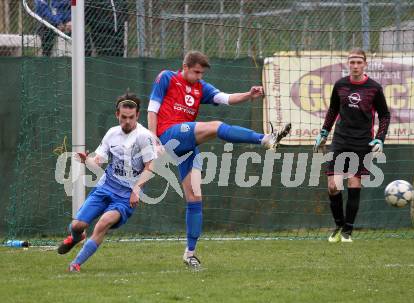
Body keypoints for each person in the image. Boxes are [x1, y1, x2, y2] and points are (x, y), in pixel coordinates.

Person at [147, 50, 291, 270]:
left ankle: (190, 254)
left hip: (186, 145)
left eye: (202, 73)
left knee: (195, 198)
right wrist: (153, 140)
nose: (199, 76)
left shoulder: (200, 87)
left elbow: (224, 98)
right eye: (196, 72)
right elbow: (152, 109)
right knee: (215, 126)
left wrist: (248, 94)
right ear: (185, 67)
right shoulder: (167, 77)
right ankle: (265, 139)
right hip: (168, 133)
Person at [57, 92, 157, 272]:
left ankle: (76, 264)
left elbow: (150, 167)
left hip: (126, 195)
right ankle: (76, 237)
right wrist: (86, 159)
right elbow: (99, 160)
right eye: (124, 117)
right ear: (117, 114)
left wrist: (136, 190)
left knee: (103, 223)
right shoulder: (112, 133)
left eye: (131, 117)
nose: (127, 121)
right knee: (77, 225)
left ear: (138, 116)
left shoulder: (144, 136)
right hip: (105, 187)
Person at [313, 48, 391, 243]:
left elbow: (385, 115)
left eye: (359, 62)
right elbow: (332, 109)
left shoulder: (374, 88)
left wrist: (380, 138)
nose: (355, 66)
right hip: (340, 140)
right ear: (348, 64)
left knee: (354, 183)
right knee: (333, 186)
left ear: (365, 64)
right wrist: (324, 132)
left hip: (362, 141)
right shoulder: (340, 85)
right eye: (352, 62)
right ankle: (339, 225)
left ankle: (348, 230)